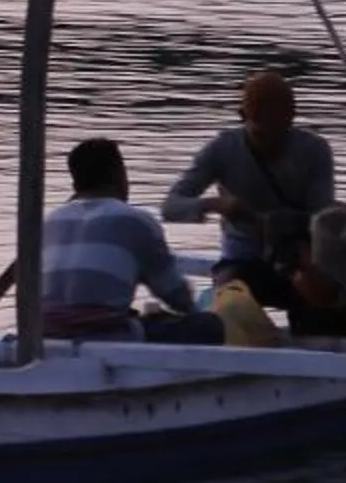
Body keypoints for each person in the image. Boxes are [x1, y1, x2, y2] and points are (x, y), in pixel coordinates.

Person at [161, 69, 335, 321]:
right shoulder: (223, 148)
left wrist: (284, 228)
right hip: (241, 259)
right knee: (227, 306)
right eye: (260, 135)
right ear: (243, 118)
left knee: (321, 308)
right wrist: (217, 204)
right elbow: (171, 206)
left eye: (279, 133)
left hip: (297, 257)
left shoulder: (315, 151)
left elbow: (323, 218)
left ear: (291, 119)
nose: (270, 145)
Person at [42, 138, 222, 345]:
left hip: (45, 335)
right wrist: (194, 313)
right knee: (209, 326)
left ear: (75, 182)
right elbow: (176, 296)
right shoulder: (136, 220)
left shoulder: (51, 220)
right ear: (117, 175)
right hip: (105, 339)